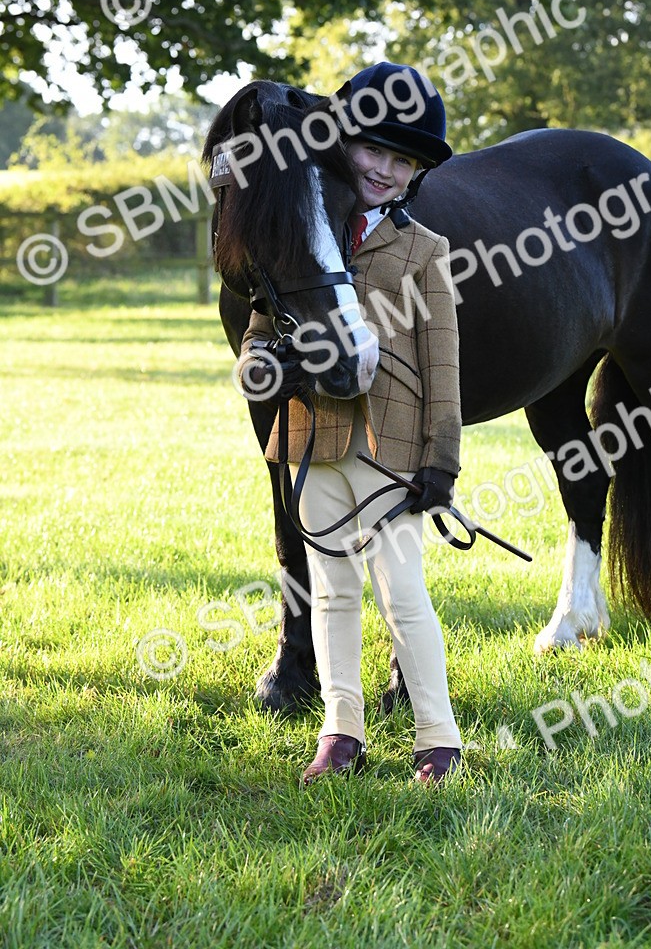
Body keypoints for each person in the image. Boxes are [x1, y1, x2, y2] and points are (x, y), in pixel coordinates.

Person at [237, 61, 463, 785]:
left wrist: (441, 461)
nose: (387, 169)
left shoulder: (425, 251)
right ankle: (342, 730)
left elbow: (445, 368)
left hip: (389, 449)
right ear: (342, 148)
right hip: (310, 439)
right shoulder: (307, 233)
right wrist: (270, 365)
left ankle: (438, 736)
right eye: (373, 150)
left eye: (404, 160)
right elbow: (254, 338)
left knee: (403, 591)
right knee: (329, 588)